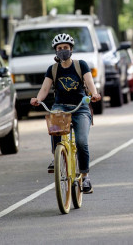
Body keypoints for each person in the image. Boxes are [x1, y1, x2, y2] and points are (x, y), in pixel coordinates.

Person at [30, 33, 102, 194]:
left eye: (66, 48)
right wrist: (38, 99)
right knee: (54, 121)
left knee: (82, 142)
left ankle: (85, 176)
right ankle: (57, 156)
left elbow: (89, 83)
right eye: (60, 48)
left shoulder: (80, 65)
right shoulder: (53, 69)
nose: (63, 51)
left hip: (80, 107)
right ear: (56, 51)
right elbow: (45, 89)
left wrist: (94, 94)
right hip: (60, 107)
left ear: (71, 50)